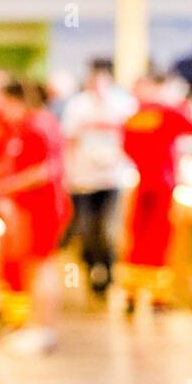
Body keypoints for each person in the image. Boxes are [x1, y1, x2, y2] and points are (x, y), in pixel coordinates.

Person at [0, 79, 72, 353]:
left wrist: (0, 188)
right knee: (32, 267)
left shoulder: (36, 126)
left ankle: (44, 330)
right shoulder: (30, 124)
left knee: (41, 266)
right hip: (33, 208)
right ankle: (35, 327)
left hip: (43, 207)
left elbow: (43, 171)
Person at [120, 74, 192, 313]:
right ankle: (158, 295)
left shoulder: (134, 117)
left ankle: (132, 291)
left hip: (143, 182)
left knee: (137, 237)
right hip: (163, 184)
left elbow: (127, 147)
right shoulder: (166, 112)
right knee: (159, 239)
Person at [59, 58, 136, 300]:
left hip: (112, 177)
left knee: (108, 228)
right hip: (82, 178)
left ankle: (108, 273)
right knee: (86, 228)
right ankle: (92, 270)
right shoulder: (77, 106)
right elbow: (69, 140)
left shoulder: (124, 104)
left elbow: (133, 139)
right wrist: (68, 172)